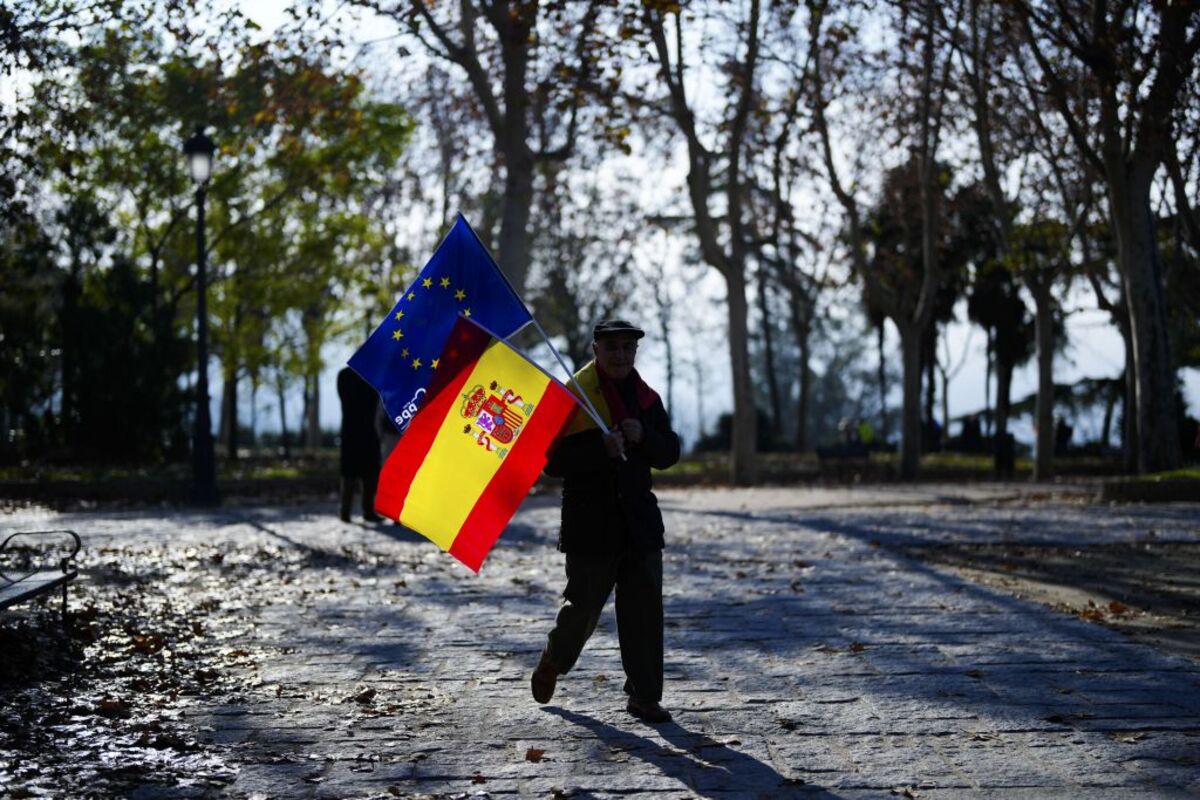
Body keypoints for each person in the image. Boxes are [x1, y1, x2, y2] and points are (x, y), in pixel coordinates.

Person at [531, 319, 681, 724]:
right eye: (611, 347)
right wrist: (601, 449)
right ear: (596, 350)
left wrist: (644, 438)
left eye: (627, 348)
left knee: (644, 613)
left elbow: (670, 452)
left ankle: (645, 696)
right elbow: (552, 461)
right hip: (590, 524)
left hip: (640, 523)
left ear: (634, 353)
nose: (619, 355)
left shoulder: (648, 400)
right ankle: (553, 660)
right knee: (583, 607)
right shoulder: (574, 397)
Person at [336, 367, 382, 523]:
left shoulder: (348, 376)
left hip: (362, 431)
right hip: (357, 431)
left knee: (369, 473)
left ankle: (358, 510)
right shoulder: (350, 376)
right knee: (351, 474)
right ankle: (348, 511)